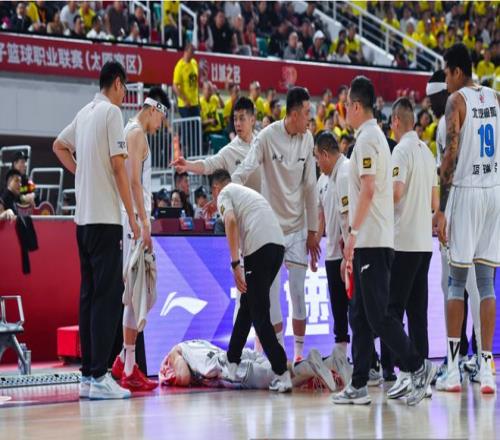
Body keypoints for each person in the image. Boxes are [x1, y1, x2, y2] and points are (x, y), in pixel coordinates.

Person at [332, 76, 435, 406]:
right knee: (359, 316)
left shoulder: (367, 140)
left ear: (356, 106)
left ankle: (418, 366)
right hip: (376, 240)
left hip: (372, 241)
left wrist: (352, 234)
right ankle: (359, 383)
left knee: (380, 317)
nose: (344, 110)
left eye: (346, 105)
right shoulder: (375, 137)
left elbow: (368, 190)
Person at [53, 61, 139, 400]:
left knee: (88, 297)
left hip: (83, 223)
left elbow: (59, 146)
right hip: (105, 220)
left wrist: (81, 172)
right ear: (117, 83)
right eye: (125, 87)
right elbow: (119, 167)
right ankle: (100, 375)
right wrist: (132, 215)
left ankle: (89, 376)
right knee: (106, 299)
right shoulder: (111, 113)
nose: (124, 94)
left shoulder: (84, 113)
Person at [232, 87, 321, 363]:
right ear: (293, 114)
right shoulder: (267, 137)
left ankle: (298, 356)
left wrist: (313, 230)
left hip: (298, 228)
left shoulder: (308, 139)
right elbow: (245, 168)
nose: (310, 118)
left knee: (298, 293)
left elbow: (311, 187)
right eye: (306, 113)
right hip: (270, 232)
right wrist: (228, 191)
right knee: (270, 299)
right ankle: (279, 357)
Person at [433, 44, 499, 394]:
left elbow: (451, 157)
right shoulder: (496, 97)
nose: (445, 80)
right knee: (486, 283)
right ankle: (487, 367)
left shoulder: (455, 102)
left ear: (457, 71)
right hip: (494, 192)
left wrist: (442, 208)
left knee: (456, 282)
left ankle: (454, 369)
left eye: (446, 73)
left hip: (467, 192)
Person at [110, 87, 170, 392]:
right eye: (161, 119)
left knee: (135, 291)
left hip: (130, 216)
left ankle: (124, 359)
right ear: (154, 109)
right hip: (132, 218)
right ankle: (129, 367)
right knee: (135, 291)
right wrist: (143, 222)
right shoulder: (136, 133)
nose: (160, 126)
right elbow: (133, 181)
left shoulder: (130, 131)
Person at [210, 169, 291, 392]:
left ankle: (281, 372)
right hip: (277, 247)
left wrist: (235, 263)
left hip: (259, 247)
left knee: (259, 314)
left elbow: (231, 221)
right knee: (247, 305)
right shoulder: (242, 192)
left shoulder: (224, 194)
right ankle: (232, 362)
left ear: (215, 189)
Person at [427, 70, 483, 385]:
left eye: (432, 98)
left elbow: (448, 172)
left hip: (460, 213)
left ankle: (467, 359)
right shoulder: (470, 113)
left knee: (461, 287)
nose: (429, 104)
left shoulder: (446, 123)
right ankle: (467, 357)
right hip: (479, 207)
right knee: (468, 287)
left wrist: (441, 213)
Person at [381, 97, 439, 399]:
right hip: (424, 243)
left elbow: (395, 192)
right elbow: (434, 202)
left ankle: (407, 370)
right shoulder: (427, 152)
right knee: (418, 313)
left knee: (391, 311)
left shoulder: (400, 150)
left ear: (395, 121)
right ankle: (422, 377)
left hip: (402, 242)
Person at [314, 132, 353, 385]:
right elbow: (322, 217)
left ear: (325, 154)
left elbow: (348, 217)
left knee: (356, 308)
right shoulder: (322, 180)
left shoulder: (346, 172)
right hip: (332, 253)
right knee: (338, 308)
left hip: (348, 252)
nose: (317, 163)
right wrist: (314, 243)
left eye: (317, 158)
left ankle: (369, 361)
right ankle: (341, 357)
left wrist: (347, 254)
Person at [159, 340, 337, 392]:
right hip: (240, 355)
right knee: (280, 376)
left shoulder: (177, 351)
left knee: (275, 377)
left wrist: (173, 358)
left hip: (231, 369)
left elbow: (183, 377)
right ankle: (327, 364)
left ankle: (310, 365)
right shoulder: (195, 344)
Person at [171, 97, 261, 193]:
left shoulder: (262, 140)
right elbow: (208, 165)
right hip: (242, 201)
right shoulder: (229, 150)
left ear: (252, 120)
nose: (237, 123)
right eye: (235, 119)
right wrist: (188, 165)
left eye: (242, 119)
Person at [173, 42, 200, 119]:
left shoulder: (194, 63)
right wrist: (185, 100)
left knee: (196, 125)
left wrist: (198, 100)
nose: (192, 55)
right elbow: (175, 86)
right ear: (186, 52)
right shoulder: (179, 67)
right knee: (188, 125)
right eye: (191, 52)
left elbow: (196, 83)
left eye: (193, 53)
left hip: (195, 103)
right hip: (185, 105)